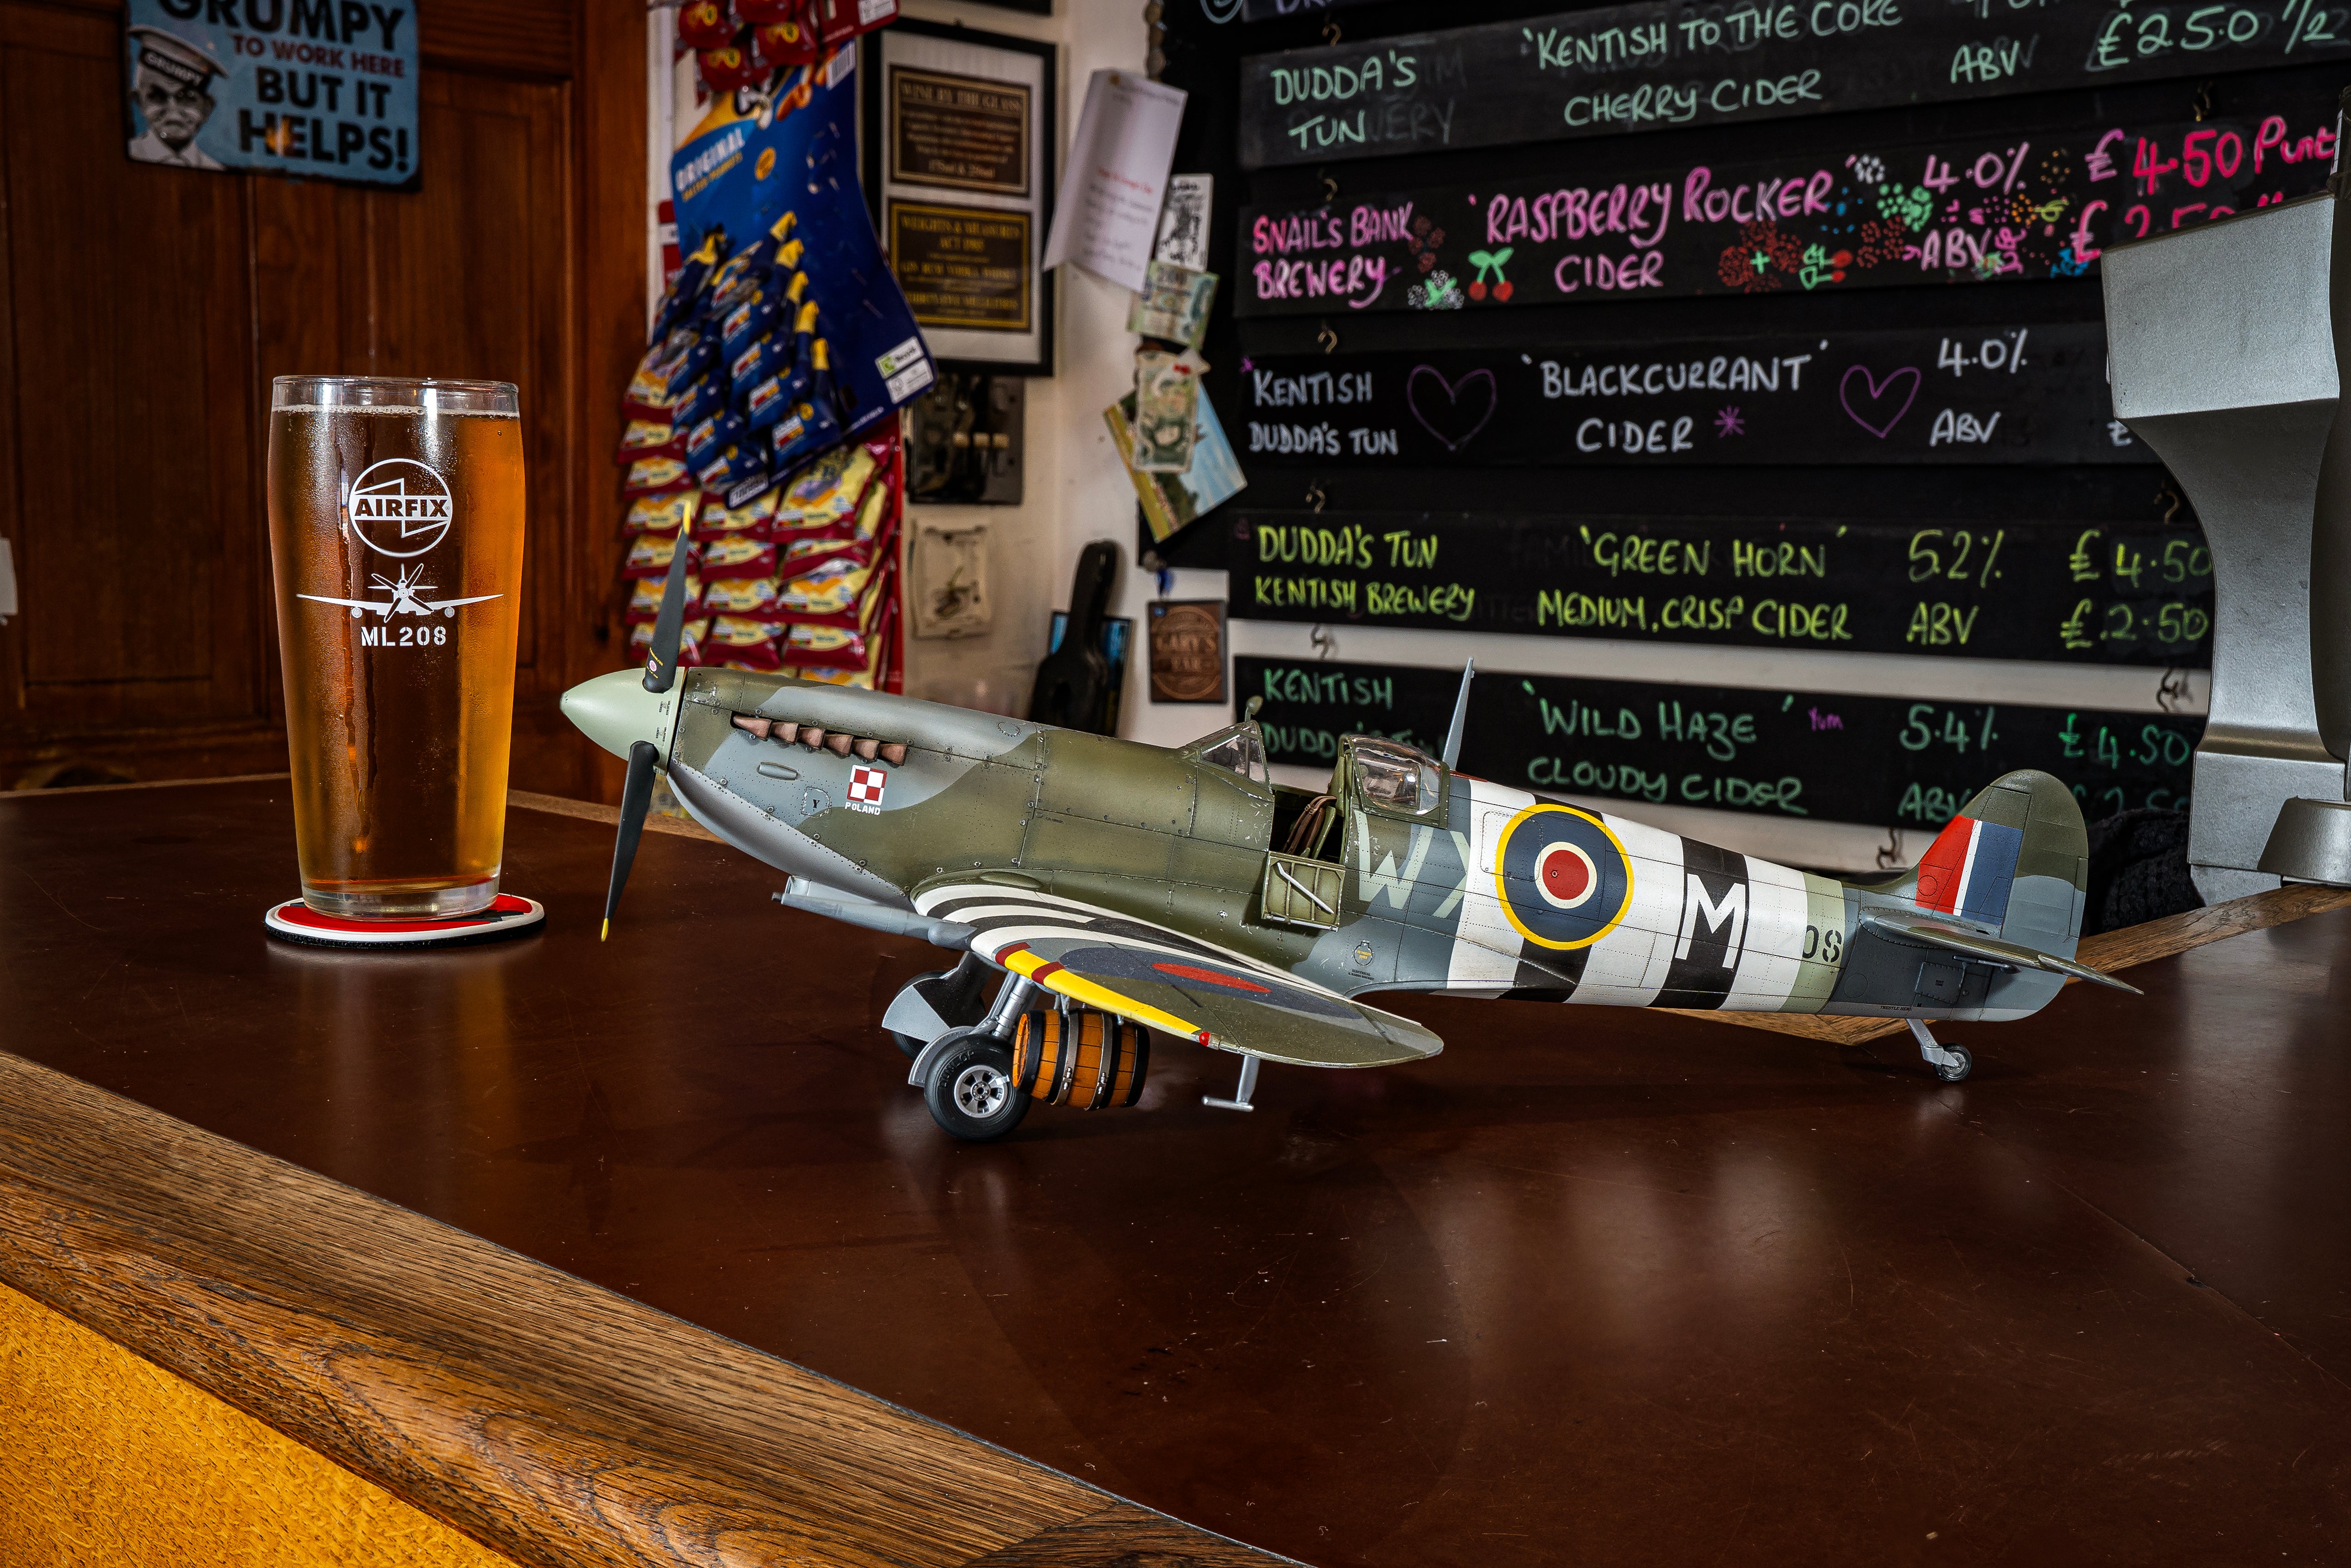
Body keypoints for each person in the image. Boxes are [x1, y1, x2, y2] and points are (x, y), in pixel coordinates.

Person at [126, 25, 225, 171]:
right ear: (139, 101)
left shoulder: (216, 170)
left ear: (207, 108)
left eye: (187, 98)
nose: (173, 111)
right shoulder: (122, 157)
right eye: (157, 96)